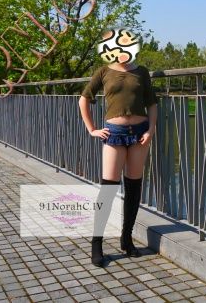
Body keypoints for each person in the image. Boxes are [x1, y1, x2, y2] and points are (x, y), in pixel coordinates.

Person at [78, 27, 158, 267]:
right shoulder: (103, 71)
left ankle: (126, 239)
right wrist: (92, 129)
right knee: (108, 189)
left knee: (134, 187)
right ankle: (97, 244)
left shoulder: (141, 72)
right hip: (114, 134)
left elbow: (152, 103)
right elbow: (84, 99)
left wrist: (151, 130)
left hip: (139, 134)